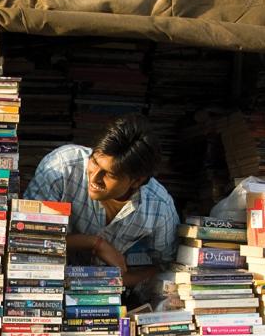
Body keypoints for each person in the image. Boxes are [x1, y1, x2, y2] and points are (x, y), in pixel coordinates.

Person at [24, 114, 179, 300]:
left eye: (110, 175)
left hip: (111, 300)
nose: (95, 178)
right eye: (94, 162)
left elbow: (170, 268)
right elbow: (25, 240)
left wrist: (120, 280)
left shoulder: (159, 207)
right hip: (42, 290)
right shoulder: (61, 168)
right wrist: (94, 243)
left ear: (137, 180)